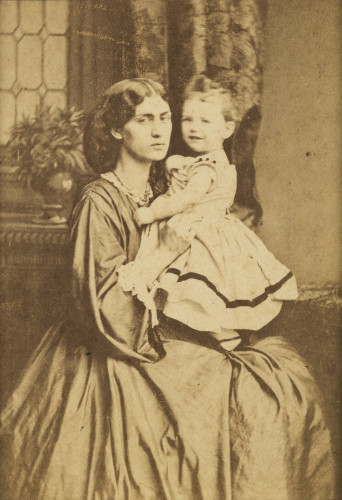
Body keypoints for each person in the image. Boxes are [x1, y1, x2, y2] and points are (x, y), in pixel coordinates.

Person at [0, 78, 335, 500]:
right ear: (118, 131)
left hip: (170, 331)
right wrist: (163, 255)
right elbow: (104, 312)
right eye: (144, 120)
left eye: (164, 118)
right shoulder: (97, 202)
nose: (160, 131)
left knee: (281, 388)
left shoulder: (168, 188)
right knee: (233, 398)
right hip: (116, 348)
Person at [131, 75, 298, 351]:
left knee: (200, 286)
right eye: (188, 120)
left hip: (201, 232)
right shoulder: (199, 161)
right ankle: (191, 333)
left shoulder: (208, 165)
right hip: (196, 226)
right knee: (190, 292)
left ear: (227, 128)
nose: (195, 128)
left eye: (205, 121)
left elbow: (187, 199)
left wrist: (151, 213)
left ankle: (222, 334)